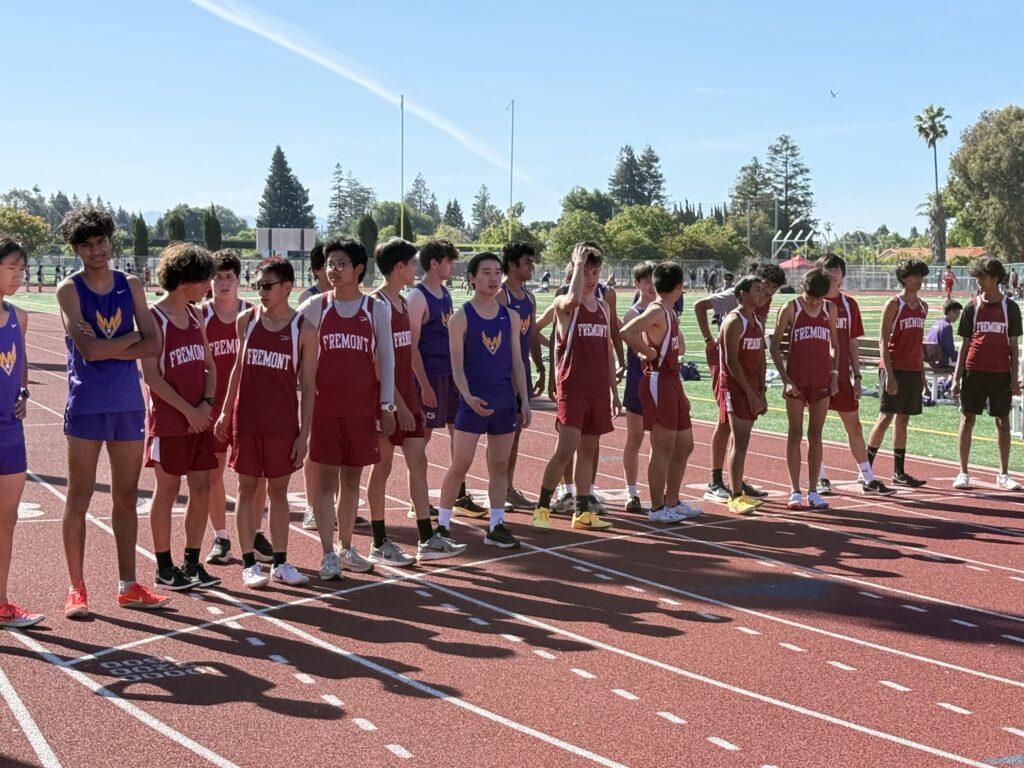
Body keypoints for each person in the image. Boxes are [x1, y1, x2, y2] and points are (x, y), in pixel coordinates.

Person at [56, 206, 170, 616]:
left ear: (110, 240)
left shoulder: (131, 284)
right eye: (86, 245)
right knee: (79, 496)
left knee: (125, 496)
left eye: (101, 241)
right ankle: (76, 589)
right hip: (87, 404)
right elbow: (88, 350)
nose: (96, 250)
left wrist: (109, 347)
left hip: (127, 404)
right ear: (76, 249)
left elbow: (154, 344)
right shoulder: (69, 290)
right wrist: (129, 339)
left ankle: (128, 585)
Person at [216, 257, 316, 588]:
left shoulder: (304, 329)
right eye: (257, 285)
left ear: (287, 287)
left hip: (281, 423)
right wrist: (225, 410)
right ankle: (249, 564)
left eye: (267, 285)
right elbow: (237, 368)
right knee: (246, 488)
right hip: (247, 419)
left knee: (279, 491)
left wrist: (304, 434)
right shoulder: (246, 320)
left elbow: (309, 386)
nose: (261, 291)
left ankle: (282, 563)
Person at [298, 239, 395, 579]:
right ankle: (327, 553)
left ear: (358, 269)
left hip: (361, 410)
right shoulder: (315, 306)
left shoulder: (376, 309)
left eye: (341, 264)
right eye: (330, 264)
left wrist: (387, 405)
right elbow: (291, 340)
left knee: (352, 480)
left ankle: (346, 547)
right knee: (325, 480)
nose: (334, 270)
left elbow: (387, 359)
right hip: (325, 409)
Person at [366, 238, 466, 564]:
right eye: (411, 263)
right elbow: (378, 365)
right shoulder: (377, 304)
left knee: (418, 461)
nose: (415, 268)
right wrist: (396, 404)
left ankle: (426, 538)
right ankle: (379, 542)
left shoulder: (401, 303)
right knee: (382, 467)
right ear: (399, 267)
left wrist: (412, 396)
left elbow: (407, 354)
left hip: (406, 397)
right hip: (386, 401)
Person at [437, 252, 531, 548]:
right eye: (486, 272)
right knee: (460, 464)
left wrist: (524, 401)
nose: (493, 278)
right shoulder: (460, 318)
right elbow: (456, 365)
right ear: (472, 278)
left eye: (497, 272)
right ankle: (442, 526)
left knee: (499, 465)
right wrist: (467, 396)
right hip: (472, 402)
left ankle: (496, 525)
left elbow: (517, 362)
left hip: (503, 401)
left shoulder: (510, 317)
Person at [141, 244, 220, 591]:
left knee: (201, 488)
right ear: (186, 279)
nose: (208, 287)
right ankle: (164, 567)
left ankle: (191, 562)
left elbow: (209, 366)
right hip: (170, 422)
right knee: (168, 489)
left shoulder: (196, 315)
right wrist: (189, 411)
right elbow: (152, 377)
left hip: (199, 419)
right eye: (205, 280)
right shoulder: (153, 318)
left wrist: (206, 404)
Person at [531, 243, 618, 531]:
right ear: (573, 274)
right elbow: (572, 300)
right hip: (573, 388)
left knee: (588, 451)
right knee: (565, 449)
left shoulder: (604, 307)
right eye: (586, 272)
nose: (591, 278)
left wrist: (614, 390)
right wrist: (577, 264)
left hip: (597, 390)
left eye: (595, 272)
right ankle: (542, 508)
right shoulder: (563, 304)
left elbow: (608, 351)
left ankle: (582, 511)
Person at [201, 250, 271, 565]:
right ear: (209, 281)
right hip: (213, 407)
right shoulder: (200, 316)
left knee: (256, 475)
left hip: (250, 407)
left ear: (239, 279)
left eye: (229, 276)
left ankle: (256, 533)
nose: (223, 283)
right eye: (217, 277)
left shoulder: (254, 314)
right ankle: (221, 537)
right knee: (213, 474)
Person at [694, 263, 785, 503]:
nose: (768, 293)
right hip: (728, 364)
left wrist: (761, 390)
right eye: (765, 286)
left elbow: (760, 349)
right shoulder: (737, 299)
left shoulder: (760, 305)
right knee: (726, 419)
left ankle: (736, 477)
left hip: (748, 364)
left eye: (774, 289)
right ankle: (715, 480)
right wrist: (709, 340)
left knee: (738, 425)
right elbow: (699, 306)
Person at [407, 239, 485, 519]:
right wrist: (424, 385)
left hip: (450, 374)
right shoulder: (417, 297)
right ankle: (416, 500)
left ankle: (459, 495)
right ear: (434, 263)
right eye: (449, 261)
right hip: (429, 376)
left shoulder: (445, 293)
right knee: (422, 438)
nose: (453, 266)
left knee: (459, 431)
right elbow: (411, 346)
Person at [620, 262, 699, 523]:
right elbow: (626, 331)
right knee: (662, 445)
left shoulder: (669, 312)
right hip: (658, 380)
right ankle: (657, 508)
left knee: (685, 444)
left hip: (672, 380)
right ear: (680, 287)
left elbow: (681, 348)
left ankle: (672, 500)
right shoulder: (655, 310)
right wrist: (647, 352)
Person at [815, 254, 896, 496]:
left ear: (842, 273)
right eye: (828, 269)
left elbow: (852, 342)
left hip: (842, 376)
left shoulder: (849, 305)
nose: (832, 273)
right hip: (815, 375)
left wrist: (857, 377)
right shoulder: (812, 302)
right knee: (815, 428)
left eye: (837, 269)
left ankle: (867, 477)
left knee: (854, 427)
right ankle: (819, 477)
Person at [951, 257, 1023, 491]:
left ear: (995, 278)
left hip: (1000, 373)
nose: (978, 281)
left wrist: (1014, 377)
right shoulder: (971, 307)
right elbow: (964, 345)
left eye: (982, 277)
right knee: (967, 419)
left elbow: (1013, 345)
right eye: (977, 277)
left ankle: (1003, 474)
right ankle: (963, 472)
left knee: (1003, 422)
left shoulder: (1010, 308)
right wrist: (956, 377)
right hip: (973, 371)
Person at [770, 268, 840, 510]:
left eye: (819, 298)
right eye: (811, 297)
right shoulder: (791, 308)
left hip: (821, 380)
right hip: (796, 380)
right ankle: (794, 489)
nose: (814, 302)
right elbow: (774, 347)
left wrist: (834, 375)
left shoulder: (830, 309)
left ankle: (813, 490)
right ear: (802, 289)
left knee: (816, 435)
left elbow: (835, 344)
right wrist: (786, 379)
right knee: (795, 433)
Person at [0, 240, 43, 628]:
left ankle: (1, 602)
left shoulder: (19, 317)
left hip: (10, 431)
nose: (19, 275)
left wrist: (24, 392)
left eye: (22, 268)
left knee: (7, 517)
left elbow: (21, 362)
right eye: (12, 267)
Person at [866, 259, 931, 488]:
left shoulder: (923, 307)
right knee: (885, 417)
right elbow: (883, 341)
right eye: (915, 276)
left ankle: (899, 472)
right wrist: (889, 374)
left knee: (904, 419)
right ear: (904, 278)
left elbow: (918, 342)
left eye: (921, 276)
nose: (919, 280)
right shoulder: (894, 304)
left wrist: (922, 373)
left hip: (913, 369)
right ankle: (866, 470)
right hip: (894, 367)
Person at [497, 242, 545, 510]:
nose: (532, 267)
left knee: (515, 432)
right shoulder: (501, 296)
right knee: (500, 434)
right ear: (513, 264)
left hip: (521, 368)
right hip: (502, 373)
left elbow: (533, 334)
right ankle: (496, 487)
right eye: (527, 262)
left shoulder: (529, 298)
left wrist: (540, 368)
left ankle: (508, 487)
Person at [717, 276, 768, 515]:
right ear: (743, 294)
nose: (762, 294)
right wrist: (749, 393)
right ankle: (735, 495)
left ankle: (738, 490)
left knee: (742, 441)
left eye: (762, 290)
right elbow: (731, 361)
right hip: (736, 388)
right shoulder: (734, 321)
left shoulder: (756, 321)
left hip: (752, 388)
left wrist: (762, 391)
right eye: (757, 290)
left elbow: (761, 357)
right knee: (739, 441)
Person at [296, 243, 335, 531]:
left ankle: (334, 506)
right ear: (317, 270)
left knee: (339, 452)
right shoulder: (308, 299)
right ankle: (311, 507)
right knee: (314, 446)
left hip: (340, 383)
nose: (334, 270)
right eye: (328, 265)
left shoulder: (346, 297)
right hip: (315, 381)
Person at [620, 261, 657, 514]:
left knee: (660, 440)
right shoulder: (633, 314)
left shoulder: (665, 311)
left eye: (654, 281)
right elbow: (637, 348)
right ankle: (631, 492)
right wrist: (652, 352)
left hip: (660, 382)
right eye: (646, 281)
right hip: (638, 380)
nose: (651, 286)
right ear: (637, 284)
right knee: (635, 438)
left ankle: (658, 491)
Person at [925, 299, 963, 369]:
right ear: (951, 312)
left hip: (932, 360)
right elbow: (949, 350)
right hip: (942, 361)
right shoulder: (946, 326)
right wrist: (961, 356)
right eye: (957, 313)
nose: (958, 316)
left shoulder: (936, 323)